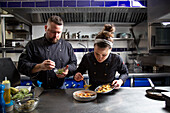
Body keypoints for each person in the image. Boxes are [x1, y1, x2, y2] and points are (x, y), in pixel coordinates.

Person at [18, 15, 77, 89]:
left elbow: (74, 64)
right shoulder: (33, 45)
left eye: (59, 32)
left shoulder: (67, 46)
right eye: (53, 32)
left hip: (60, 88)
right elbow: (21, 66)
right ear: (46, 28)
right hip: (39, 89)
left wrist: (67, 71)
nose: (56, 35)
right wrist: (40, 67)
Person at [74, 24, 128, 90]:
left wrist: (120, 81)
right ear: (94, 47)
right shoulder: (87, 57)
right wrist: (77, 75)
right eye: (97, 54)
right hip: (92, 91)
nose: (100, 58)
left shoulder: (116, 59)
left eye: (104, 55)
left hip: (109, 90)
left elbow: (124, 73)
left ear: (110, 50)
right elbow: (79, 70)